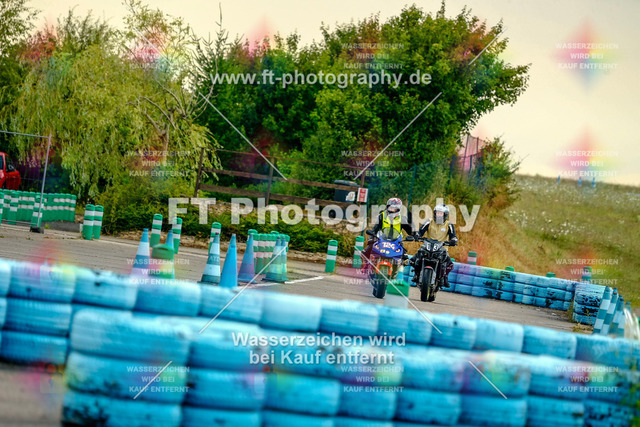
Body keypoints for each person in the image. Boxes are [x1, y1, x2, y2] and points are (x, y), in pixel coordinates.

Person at [412, 204, 458, 288]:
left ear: (445, 215)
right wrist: (417, 235)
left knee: (449, 264)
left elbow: (453, 236)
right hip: (427, 246)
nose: (439, 215)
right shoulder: (429, 221)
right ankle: (416, 274)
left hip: (442, 248)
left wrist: (453, 240)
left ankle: (445, 278)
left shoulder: (449, 224)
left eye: (441, 213)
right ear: (434, 213)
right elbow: (420, 231)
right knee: (415, 258)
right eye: (438, 213)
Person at [361, 197, 414, 265]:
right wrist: (371, 238)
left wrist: (411, 226)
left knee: (405, 259)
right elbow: (375, 229)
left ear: (399, 209)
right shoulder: (382, 216)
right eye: (391, 208)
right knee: (365, 252)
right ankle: (367, 266)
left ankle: (398, 269)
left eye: (395, 208)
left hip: (396, 242)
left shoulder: (402, 219)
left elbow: (410, 232)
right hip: (381, 240)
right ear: (387, 207)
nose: (392, 210)